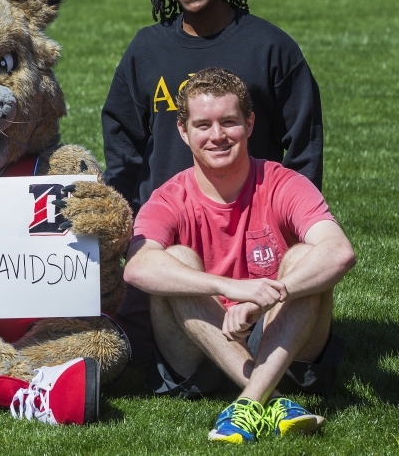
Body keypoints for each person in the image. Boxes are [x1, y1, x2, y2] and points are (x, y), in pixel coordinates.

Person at [101, 0, 324, 367]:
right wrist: (126, 232)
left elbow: (303, 148)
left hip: (253, 234)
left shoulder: (269, 47)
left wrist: (293, 230)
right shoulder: (146, 50)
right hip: (172, 231)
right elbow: (121, 147)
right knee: (135, 350)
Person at [123, 68, 354, 444]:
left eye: (229, 122)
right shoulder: (168, 197)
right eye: (203, 125)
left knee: (306, 259)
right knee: (176, 258)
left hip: (282, 341)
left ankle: (247, 402)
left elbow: (339, 251)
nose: (217, 136)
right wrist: (231, 288)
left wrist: (271, 295)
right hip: (199, 346)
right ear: (183, 132)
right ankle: (272, 398)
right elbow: (137, 268)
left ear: (249, 123)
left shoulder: (282, 182)